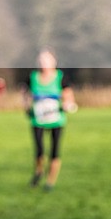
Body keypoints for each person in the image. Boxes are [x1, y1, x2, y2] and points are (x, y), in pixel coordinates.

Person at [22, 48, 75, 191]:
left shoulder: (60, 77)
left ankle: (50, 182)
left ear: (54, 62)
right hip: (38, 119)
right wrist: (27, 107)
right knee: (39, 150)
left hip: (56, 119)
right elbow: (25, 94)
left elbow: (68, 95)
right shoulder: (33, 77)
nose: (44, 63)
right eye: (41, 60)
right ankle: (39, 172)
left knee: (54, 150)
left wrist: (67, 104)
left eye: (47, 60)